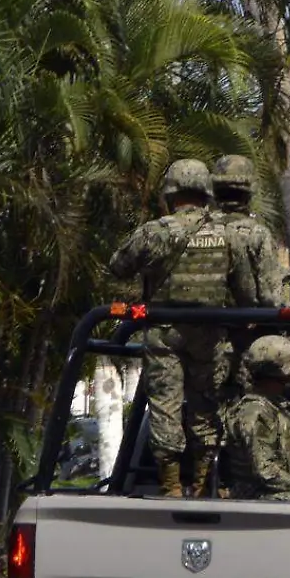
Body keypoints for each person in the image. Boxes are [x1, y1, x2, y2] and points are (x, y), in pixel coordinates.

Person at [109, 158, 261, 496]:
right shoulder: (226, 235)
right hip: (209, 334)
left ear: (170, 193)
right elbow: (247, 294)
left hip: (163, 332)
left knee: (165, 405)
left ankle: (172, 486)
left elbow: (118, 266)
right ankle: (205, 482)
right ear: (206, 193)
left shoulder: (155, 231)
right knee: (205, 405)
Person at [223, 335, 290, 501]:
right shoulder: (254, 412)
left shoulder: (277, 407)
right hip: (256, 496)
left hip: (276, 491)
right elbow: (265, 471)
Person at [212, 155, 290, 307]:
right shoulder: (257, 234)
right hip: (241, 325)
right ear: (249, 191)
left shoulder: (200, 229)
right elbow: (270, 297)